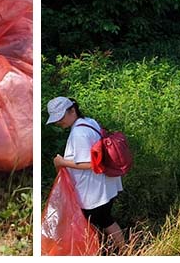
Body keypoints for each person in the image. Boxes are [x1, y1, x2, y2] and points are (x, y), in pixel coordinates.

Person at [47, 96, 126, 252]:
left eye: (61, 117)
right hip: (102, 185)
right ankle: (114, 249)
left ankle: (123, 250)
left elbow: (91, 164)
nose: (58, 122)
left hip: (93, 191)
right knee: (103, 219)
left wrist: (62, 162)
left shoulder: (79, 133)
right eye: (56, 119)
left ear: (72, 110)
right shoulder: (88, 122)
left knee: (103, 220)